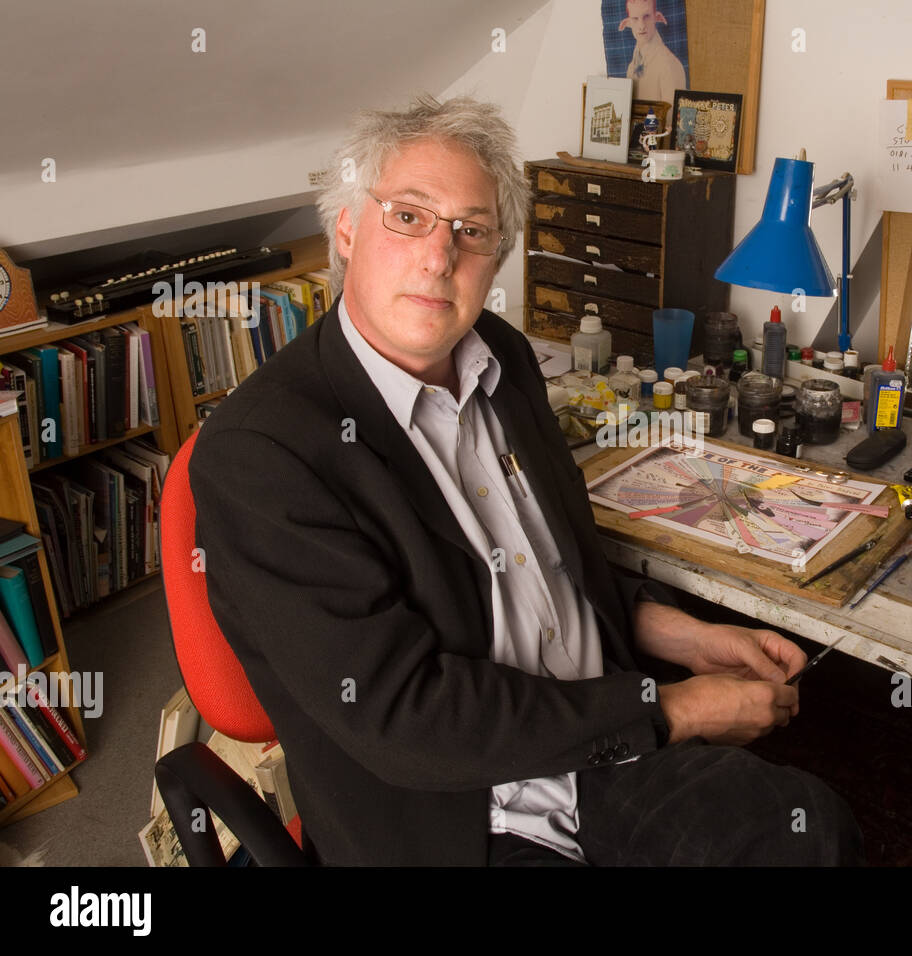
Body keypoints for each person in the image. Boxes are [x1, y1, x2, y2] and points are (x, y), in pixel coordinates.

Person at [190, 94, 864, 866]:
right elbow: (406, 719)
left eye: (471, 231)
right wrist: (673, 707)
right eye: (409, 216)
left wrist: (688, 637)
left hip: (599, 742)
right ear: (347, 229)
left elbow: (550, 567)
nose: (440, 256)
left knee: (809, 830)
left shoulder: (500, 356)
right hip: (460, 818)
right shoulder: (264, 452)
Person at [621, 0, 687, 103]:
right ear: (628, 23)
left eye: (646, 16)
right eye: (635, 19)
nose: (641, 26)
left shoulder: (669, 64)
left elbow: (672, 116)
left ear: (656, 18)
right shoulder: (631, 68)